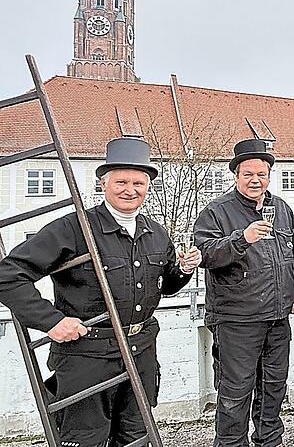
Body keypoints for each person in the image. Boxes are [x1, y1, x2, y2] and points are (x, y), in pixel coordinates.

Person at [0, 137, 200, 446]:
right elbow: (8, 274)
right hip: (86, 358)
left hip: (141, 353)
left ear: (148, 187)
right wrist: (51, 321)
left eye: (138, 182)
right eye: (121, 181)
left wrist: (183, 270)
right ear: (103, 183)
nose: (130, 189)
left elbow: (166, 286)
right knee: (86, 440)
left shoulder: (156, 232)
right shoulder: (74, 228)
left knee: (136, 438)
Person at [193, 139, 294, 447]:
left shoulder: (281, 208)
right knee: (236, 389)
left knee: (274, 385)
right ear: (236, 175)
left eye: (262, 174)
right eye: (248, 174)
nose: (256, 180)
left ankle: (269, 440)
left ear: (269, 176)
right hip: (237, 319)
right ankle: (230, 443)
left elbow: (292, 254)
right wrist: (241, 239)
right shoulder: (216, 211)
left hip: (277, 316)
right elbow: (205, 253)